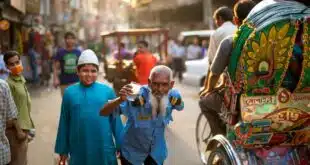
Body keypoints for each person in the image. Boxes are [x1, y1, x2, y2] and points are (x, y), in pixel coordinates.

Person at [100, 65, 184, 165]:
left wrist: (179, 102)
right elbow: (103, 112)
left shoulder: (173, 97)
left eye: (164, 85)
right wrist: (119, 99)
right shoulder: (135, 94)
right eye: (155, 84)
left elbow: (180, 106)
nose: (159, 89)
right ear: (149, 82)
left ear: (171, 84)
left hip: (156, 152)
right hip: (131, 151)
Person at [54, 49, 123, 165]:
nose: (89, 75)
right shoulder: (69, 93)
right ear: (77, 71)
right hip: (78, 147)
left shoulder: (108, 91)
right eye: (85, 70)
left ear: (98, 71)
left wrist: (121, 145)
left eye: (93, 71)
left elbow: (116, 120)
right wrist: (63, 150)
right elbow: (64, 122)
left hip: (104, 146)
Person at [199, 0, 256, 135]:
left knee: (204, 101)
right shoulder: (269, 38)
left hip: (238, 98)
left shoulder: (229, 41)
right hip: (267, 93)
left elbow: (213, 71)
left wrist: (208, 89)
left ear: (236, 20)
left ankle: (220, 136)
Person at [3, 51, 35, 165]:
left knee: (23, 160)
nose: (16, 66)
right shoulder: (9, 84)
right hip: (16, 131)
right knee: (18, 162)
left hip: (24, 128)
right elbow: (10, 111)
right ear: (7, 67)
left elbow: (24, 105)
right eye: (12, 64)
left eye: (17, 62)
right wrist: (19, 131)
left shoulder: (21, 79)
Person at [53, 32, 81, 96]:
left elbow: (81, 68)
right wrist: (55, 79)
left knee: (76, 101)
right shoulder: (60, 52)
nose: (70, 40)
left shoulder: (78, 52)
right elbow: (56, 67)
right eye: (68, 38)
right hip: (64, 82)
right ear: (65, 40)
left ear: (74, 40)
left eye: (72, 38)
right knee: (66, 102)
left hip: (76, 82)